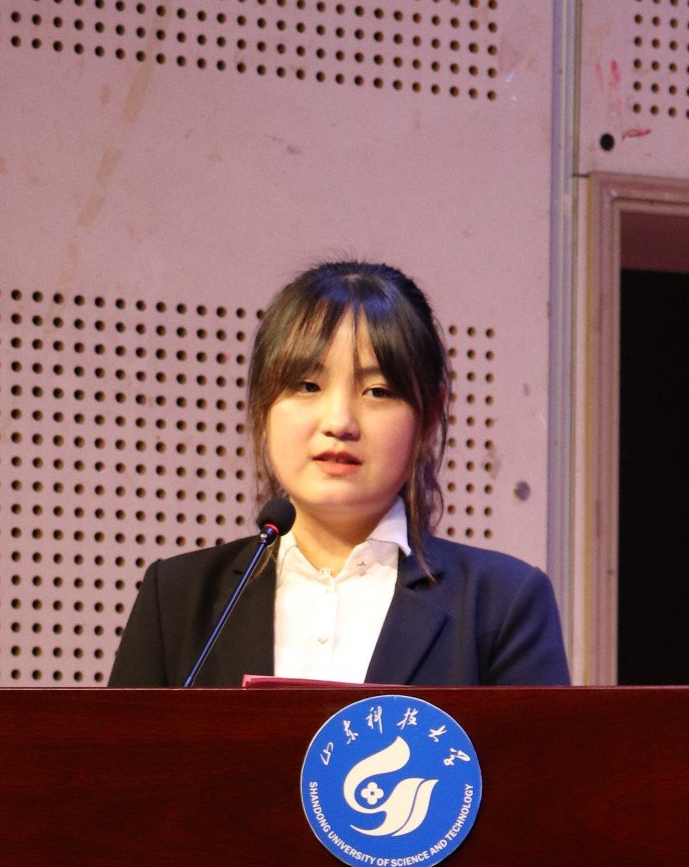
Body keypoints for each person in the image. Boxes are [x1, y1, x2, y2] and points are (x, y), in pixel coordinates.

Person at [107, 259, 570, 688]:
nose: (339, 422)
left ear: (430, 417)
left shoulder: (502, 604)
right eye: (308, 386)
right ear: (264, 405)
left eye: (377, 391)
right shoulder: (178, 597)